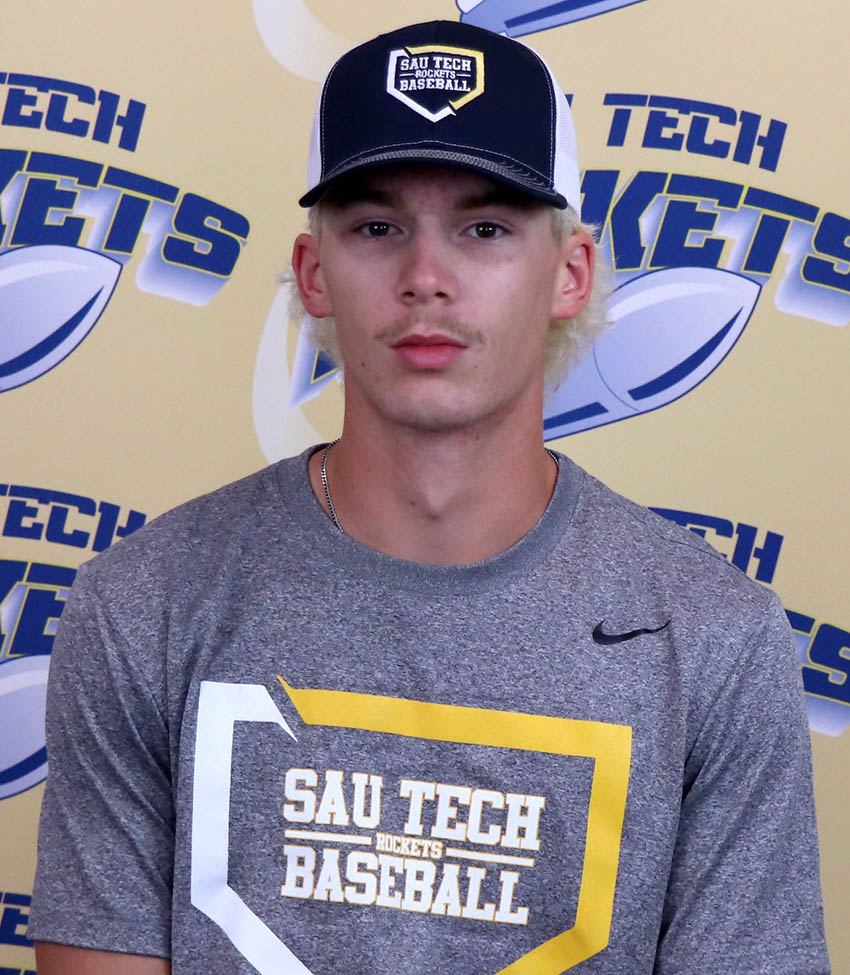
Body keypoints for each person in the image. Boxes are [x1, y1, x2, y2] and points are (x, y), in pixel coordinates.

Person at [29, 19, 830, 975]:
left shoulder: (715, 640)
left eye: (484, 229)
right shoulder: (145, 602)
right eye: (377, 227)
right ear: (313, 272)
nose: (425, 280)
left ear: (568, 272)